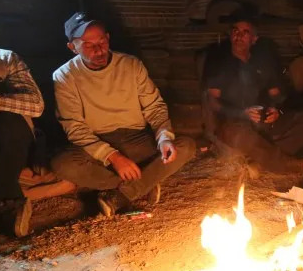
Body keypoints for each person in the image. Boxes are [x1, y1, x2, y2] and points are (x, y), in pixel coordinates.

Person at [51, 13, 195, 217]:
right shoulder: (64, 76)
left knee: (185, 146)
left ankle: (124, 191)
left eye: (101, 41)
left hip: (136, 139)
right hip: (97, 143)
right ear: (72, 48)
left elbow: (154, 107)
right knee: (62, 164)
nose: (98, 49)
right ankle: (143, 183)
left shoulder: (130, 65)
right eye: (88, 44)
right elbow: (75, 128)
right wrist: (113, 157)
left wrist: (163, 138)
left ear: (108, 38)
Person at [203, 12, 303, 174]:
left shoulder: (262, 62)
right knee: (237, 134)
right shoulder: (219, 63)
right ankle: (287, 164)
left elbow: (276, 95)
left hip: (262, 121)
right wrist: (242, 113)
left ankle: (261, 162)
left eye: (245, 32)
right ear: (230, 35)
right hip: (235, 123)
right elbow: (213, 102)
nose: (239, 36)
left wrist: (276, 110)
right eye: (235, 31)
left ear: (254, 39)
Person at [0, 21, 44, 237]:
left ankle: (6, 204)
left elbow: (35, 105)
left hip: (6, 139)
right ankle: (5, 208)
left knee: (9, 124)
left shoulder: (6, 59)